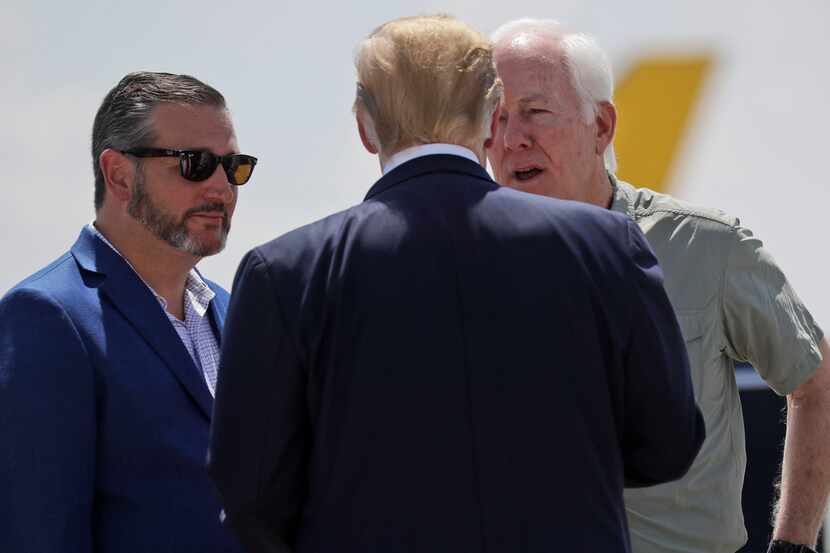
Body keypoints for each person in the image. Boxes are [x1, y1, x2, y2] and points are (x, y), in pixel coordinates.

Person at [208, 15, 704, 553]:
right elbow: (668, 447)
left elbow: (250, 496)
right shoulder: (607, 244)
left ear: (364, 125)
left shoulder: (283, 272)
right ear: (493, 118)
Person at [487, 18, 830, 553]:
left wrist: (794, 545)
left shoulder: (705, 247)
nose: (512, 139)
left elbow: (817, 380)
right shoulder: (466, 263)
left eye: (535, 112)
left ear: (601, 126)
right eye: (497, 117)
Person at [0, 71, 257, 553]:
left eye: (234, 166)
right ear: (119, 174)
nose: (223, 188)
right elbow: (36, 532)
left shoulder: (237, 312)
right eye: (196, 164)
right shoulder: (47, 316)